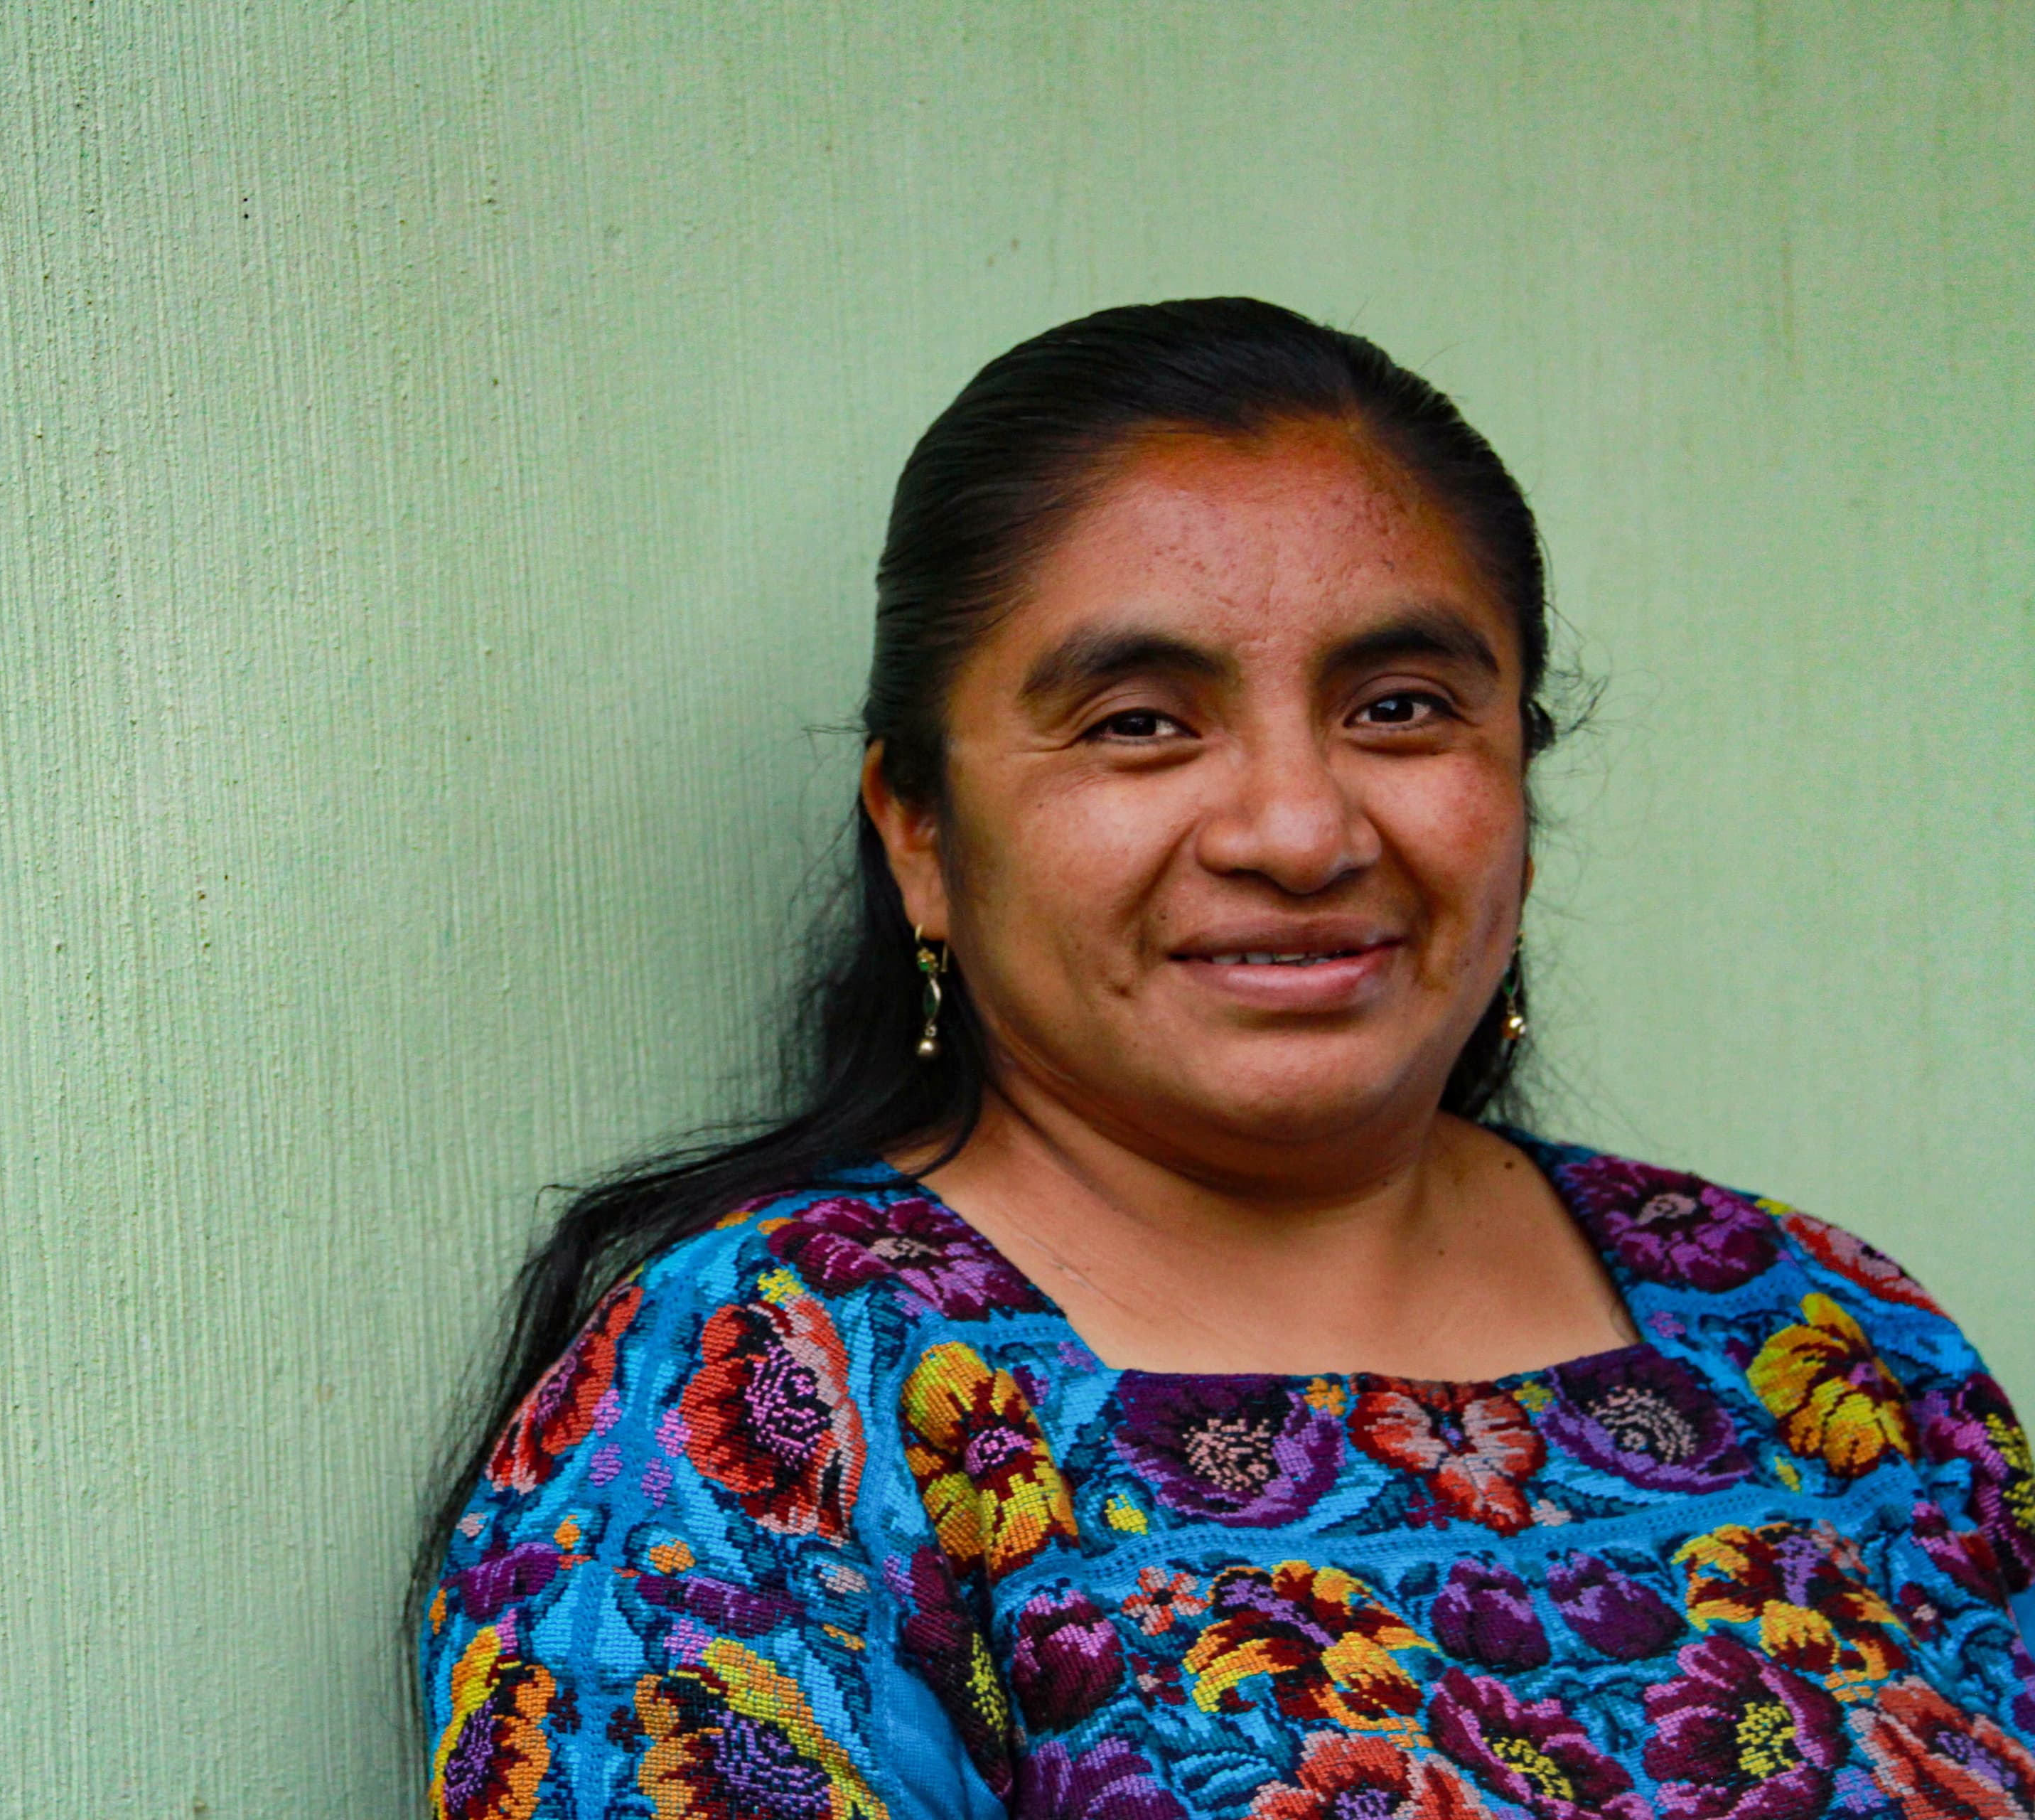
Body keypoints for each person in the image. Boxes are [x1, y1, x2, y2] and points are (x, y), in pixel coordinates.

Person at [414, 299, 2035, 1820]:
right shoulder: (766, 1411)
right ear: (921, 830)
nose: (1300, 828)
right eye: (1138, 720)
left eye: (1401, 706)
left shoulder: (1831, 1337)